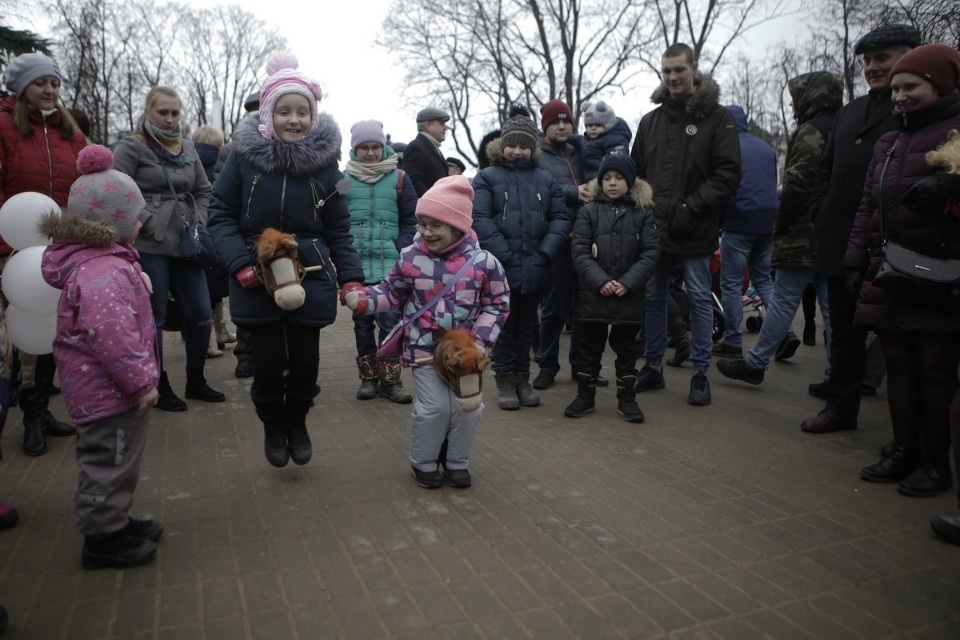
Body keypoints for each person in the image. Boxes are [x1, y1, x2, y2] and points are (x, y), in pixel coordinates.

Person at [208, 53, 364, 468]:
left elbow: (340, 230)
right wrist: (239, 263)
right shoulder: (243, 159)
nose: (293, 120)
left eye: (302, 111)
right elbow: (220, 214)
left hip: (310, 273)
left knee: (306, 365)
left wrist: (351, 279)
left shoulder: (327, 166)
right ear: (268, 114)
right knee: (268, 364)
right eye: (284, 111)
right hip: (255, 272)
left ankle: (297, 420)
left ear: (314, 116)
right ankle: (272, 424)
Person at [844, 44, 960, 497]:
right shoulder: (888, 142)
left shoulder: (956, 131)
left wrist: (947, 183)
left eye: (910, 87)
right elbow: (867, 207)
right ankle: (902, 449)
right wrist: (855, 260)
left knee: (935, 368)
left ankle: (936, 463)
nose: (900, 97)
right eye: (895, 89)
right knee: (898, 364)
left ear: (941, 84)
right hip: (887, 270)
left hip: (941, 273)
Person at [39, 145, 163, 569]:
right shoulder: (102, 273)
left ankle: (116, 519)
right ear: (113, 222)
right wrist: (142, 382)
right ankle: (101, 540)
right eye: (136, 216)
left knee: (119, 458)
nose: (141, 222)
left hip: (109, 390)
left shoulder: (107, 262)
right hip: (107, 391)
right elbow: (114, 338)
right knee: (107, 462)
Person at [343, 176, 509, 489]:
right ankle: (424, 462)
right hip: (423, 346)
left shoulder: (484, 263)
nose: (427, 233)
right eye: (422, 224)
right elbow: (392, 292)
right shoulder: (409, 257)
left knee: (468, 406)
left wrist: (480, 341)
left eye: (436, 226)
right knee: (436, 407)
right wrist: (364, 300)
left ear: (458, 226)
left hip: (467, 353)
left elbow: (498, 304)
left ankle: (456, 461)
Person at [802, 24, 922, 434]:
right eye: (868, 61)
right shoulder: (850, 112)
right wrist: (821, 211)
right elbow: (826, 170)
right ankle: (841, 406)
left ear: (909, 57)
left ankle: (913, 432)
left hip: (895, 245)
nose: (872, 68)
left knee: (901, 340)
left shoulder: (918, 108)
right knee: (843, 329)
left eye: (881, 58)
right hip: (840, 241)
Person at [629, 42, 741, 406]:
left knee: (698, 297)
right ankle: (653, 367)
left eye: (679, 69)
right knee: (654, 297)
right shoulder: (650, 121)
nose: (673, 77)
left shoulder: (717, 117)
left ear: (694, 68)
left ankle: (700, 372)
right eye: (667, 71)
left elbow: (727, 174)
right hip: (655, 227)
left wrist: (690, 206)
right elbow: (637, 174)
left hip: (695, 225)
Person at [717, 72, 842, 386]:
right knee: (775, 285)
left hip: (765, 224)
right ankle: (839, 370)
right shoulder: (767, 147)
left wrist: (782, 225)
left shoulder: (807, 132)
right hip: (801, 225)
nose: (791, 102)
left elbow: (795, 183)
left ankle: (737, 345)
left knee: (733, 284)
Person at [113, 86, 223, 411]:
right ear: (148, 111)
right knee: (155, 316)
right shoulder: (132, 145)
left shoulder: (187, 145)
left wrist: (199, 222)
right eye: (163, 112)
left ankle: (196, 379)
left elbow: (204, 189)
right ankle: (158, 383)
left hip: (189, 243)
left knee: (202, 313)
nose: (170, 118)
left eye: (175, 112)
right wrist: (147, 220)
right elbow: (117, 187)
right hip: (150, 243)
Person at [0, 52, 82, 455]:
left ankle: (42, 409)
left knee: (52, 324)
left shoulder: (70, 131)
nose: (49, 90)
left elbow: (83, 186)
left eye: (54, 83)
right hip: (14, 250)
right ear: (21, 88)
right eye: (40, 83)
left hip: (60, 246)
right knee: (22, 329)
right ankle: (28, 414)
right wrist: (4, 247)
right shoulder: (4, 126)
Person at [472, 105, 572, 410]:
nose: (517, 152)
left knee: (528, 325)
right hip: (500, 267)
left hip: (536, 264)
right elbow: (480, 218)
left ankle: (522, 379)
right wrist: (503, 254)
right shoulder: (487, 177)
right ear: (503, 146)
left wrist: (546, 252)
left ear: (533, 149)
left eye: (523, 147)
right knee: (504, 326)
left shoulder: (545, 179)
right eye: (512, 145)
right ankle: (504, 380)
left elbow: (560, 217)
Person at [565, 151, 659, 422]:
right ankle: (585, 395)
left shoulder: (643, 213)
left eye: (619, 177)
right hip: (594, 294)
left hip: (628, 296)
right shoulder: (588, 211)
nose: (613, 183)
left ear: (630, 181)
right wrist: (601, 281)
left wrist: (628, 282)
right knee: (589, 348)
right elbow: (580, 251)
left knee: (627, 350)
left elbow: (651, 253)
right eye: (607, 178)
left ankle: (627, 398)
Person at [344, 119, 417, 403]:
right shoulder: (344, 179)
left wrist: (400, 248)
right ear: (355, 149)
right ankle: (368, 378)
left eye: (376, 147)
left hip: (391, 266)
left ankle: (391, 380)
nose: (371, 153)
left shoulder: (400, 178)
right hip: (357, 265)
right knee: (362, 323)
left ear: (384, 146)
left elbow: (412, 219)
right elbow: (336, 221)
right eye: (364, 148)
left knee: (390, 322)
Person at [533, 99, 602, 389]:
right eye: (555, 122)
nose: (562, 126)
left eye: (566, 121)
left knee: (584, 309)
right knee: (554, 309)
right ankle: (547, 366)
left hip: (587, 241)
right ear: (545, 127)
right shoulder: (538, 156)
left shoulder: (579, 152)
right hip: (558, 240)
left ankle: (582, 368)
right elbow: (541, 190)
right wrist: (574, 193)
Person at [711, 105, 777, 358]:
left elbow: (723, 188)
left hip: (739, 221)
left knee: (731, 284)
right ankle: (784, 333)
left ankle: (733, 341)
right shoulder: (766, 148)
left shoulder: (727, 149)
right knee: (764, 281)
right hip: (767, 221)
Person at [215, 91, 260, 378]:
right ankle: (245, 355)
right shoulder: (232, 149)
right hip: (244, 233)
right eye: (254, 110)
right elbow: (223, 191)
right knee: (247, 294)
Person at [191, 124, 235, 359]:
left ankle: (216, 333)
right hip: (215, 230)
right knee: (213, 287)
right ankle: (212, 335)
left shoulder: (189, 160)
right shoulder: (222, 161)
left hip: (195, 231)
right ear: (218, 144)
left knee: (206, 287)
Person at [579, 100, 633, 181]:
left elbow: (618, 161)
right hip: (588, 179)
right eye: (589, 125)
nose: (593, 128)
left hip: (605, 180)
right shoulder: (587, 140)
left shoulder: (615, 139)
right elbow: (576, 139)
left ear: (608, 125)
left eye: (598, 125)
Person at [404, 107, 450, 196]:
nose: (445, 128)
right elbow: (413, 183)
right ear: (428, 125)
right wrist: (432, 202)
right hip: (427, 208)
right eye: (441, 124)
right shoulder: (416, 147)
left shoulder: (433, 149)